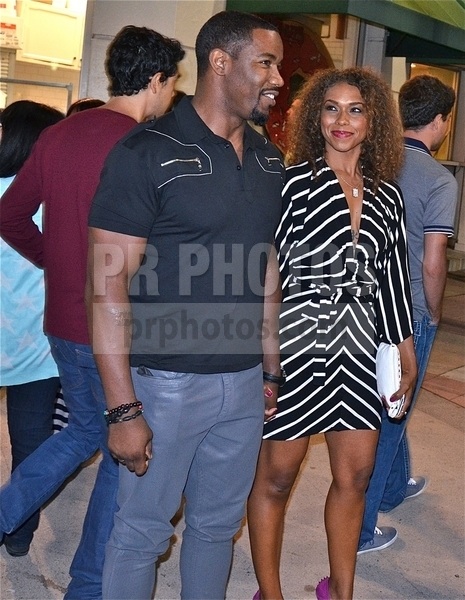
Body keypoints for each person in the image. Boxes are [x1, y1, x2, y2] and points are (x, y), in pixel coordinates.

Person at [86, 10, 284, 599]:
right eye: (266, 63)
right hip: (165, 385)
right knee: (142, 534)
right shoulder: (146, 152)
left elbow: (266, 269)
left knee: (218, 529)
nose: (278, 79)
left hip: (244, 382)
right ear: (219, 63)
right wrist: (123, 410)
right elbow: (106, 285)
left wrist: (270, 369)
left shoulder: (270, 159)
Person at [0, 25, 184, 599]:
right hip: (116, 331)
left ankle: (17, 524)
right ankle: (89, 584)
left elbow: (9, 215)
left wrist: (58, 267)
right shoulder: (144, 149)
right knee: (122, 448)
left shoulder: (59, 134)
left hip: (61, 323)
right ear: (154, 80)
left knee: (89, 432)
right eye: (172, 83)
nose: (173, 95)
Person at [247, 67, 417, 600]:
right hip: (296, 349)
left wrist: (406, 352)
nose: (342, 120)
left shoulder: (389, 198)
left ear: (374, 122)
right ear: (315, 116)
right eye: (331, 108)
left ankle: (340, 591)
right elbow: (265, 277)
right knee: (276, 477)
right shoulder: (292, 184)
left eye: (356, 109)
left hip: (360, 354)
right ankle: (269, 593)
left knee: (357, 477)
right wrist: (265, 361)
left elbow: (391, 282)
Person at [359, 74, 457, 553]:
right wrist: (433, 314)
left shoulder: (372, 162)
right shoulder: (439, 179)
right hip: (409, 310)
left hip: (361, 306)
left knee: (384, 406)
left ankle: (395, 489)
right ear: (440, 121)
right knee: (391, 415)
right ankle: (358, 530)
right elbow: (433, 260)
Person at [0, 100, 64, 557]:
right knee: (32, 449)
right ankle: (18, 535)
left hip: (24, 345)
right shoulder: (52, 202)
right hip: (36, 349)